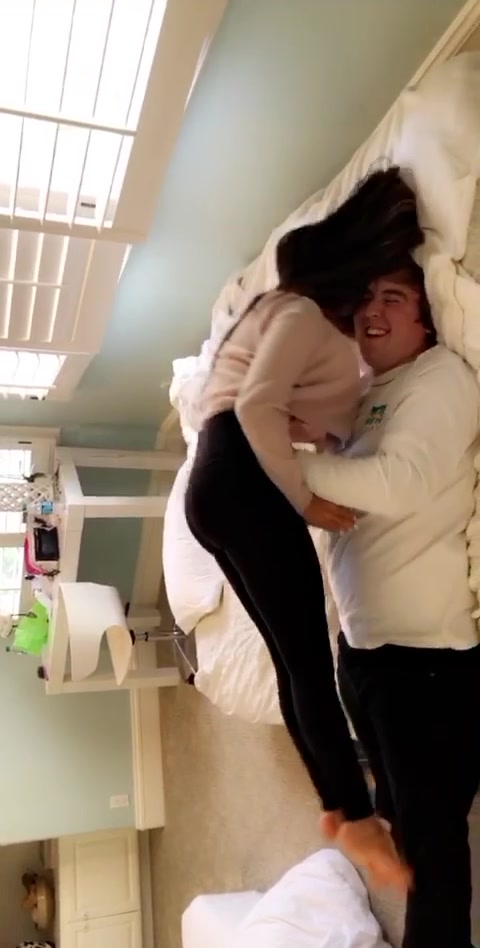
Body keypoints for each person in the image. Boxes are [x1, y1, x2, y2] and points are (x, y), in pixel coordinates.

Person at [185, 167, 423, 891]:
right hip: (242, 482)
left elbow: (268, 407)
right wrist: (304, 499)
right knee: (306, 664)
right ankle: (352, 815)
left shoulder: (284, 314)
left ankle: (342, 802)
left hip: (217, 484)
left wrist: (310, 439)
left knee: (296, 662)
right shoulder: (301, 314)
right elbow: (255, 407)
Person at [298, 261, 480, 948]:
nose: (373, 310)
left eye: (394, 299)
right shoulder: (371, 392)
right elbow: (351, 489)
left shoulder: (441, 379)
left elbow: (401, 483)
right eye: (367, 297)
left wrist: (288, 468)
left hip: (423, 661)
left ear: (425, 320)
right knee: (400, 805)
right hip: (366, 651)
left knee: (434, 854)